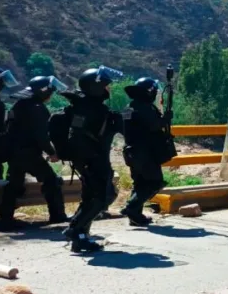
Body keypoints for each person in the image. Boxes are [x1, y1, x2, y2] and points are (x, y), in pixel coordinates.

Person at [61, 68, 123, 253]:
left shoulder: (82, 105)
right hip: (94, 159)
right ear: (96, 87)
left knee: (91, 197)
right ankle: (75, 230)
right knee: (103, 196)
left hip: (87, 159)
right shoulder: (94, 109)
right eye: (105, 85)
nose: (108, 89)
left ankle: (80, 237)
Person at [0, 76, 68, 230]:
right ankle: (58, 216)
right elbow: (41, 135)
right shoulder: (37, 108)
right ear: (44, 91)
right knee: (51, 181)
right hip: (29, 153)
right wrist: (52, 152)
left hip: (14, 152)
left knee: (14, 183)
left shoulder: (19, 104)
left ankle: (5, 217)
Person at [119, 77, 172, 226]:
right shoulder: (143, 107)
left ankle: (135, 216)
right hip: (144, 152)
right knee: (155, 182)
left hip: (132, 152)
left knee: (140, 183)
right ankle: (131, 207)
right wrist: (165, 119)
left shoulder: (129, 107)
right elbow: (154, 125)